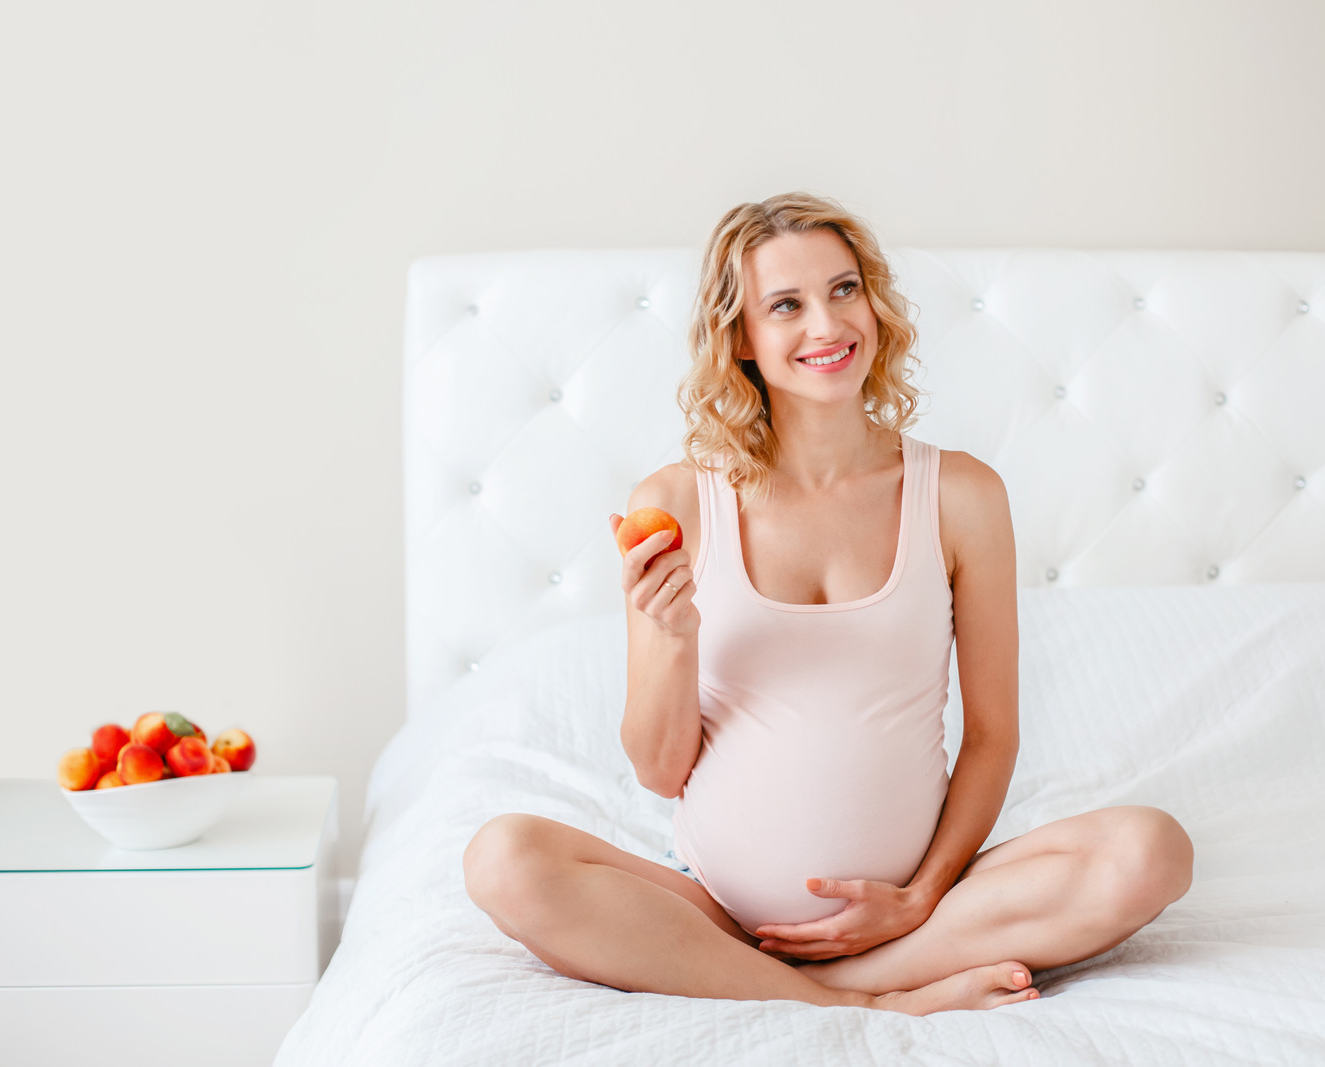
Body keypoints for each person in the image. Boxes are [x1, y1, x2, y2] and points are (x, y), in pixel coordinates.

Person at [463, 192, 1194, 1015]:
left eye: (845, 289)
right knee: (503, 858)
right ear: (739, 335)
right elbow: (659, 769)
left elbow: (992, 734)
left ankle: (829, 977)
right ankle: (862, 1001)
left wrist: (920, 895)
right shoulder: (681, 502)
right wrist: (670, 634)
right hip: (722, 917)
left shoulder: (961, 495)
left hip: (916, 913)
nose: (828, 324)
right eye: (786, 304)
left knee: (1149, 850)